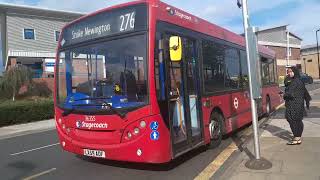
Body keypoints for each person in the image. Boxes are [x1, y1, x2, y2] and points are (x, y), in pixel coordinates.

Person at [284, 66, 307, 145]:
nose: (289, 73)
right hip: (298, 103)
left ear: (295, 72)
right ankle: (298, 137)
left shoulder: (295, 81)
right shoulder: (298, 80)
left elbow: (290, 93)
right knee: (298, 120)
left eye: (290, 71)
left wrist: (283, 95)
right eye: (288, 72)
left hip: (293, 104)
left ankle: (296, 137)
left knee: (291, 119)